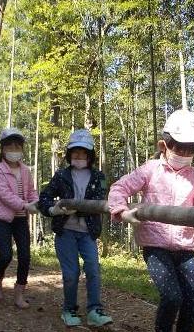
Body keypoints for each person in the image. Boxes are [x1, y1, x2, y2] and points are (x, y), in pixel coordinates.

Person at [108, 110, 194, 332]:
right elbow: (120, 187)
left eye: (191, 149)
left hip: (185, 247)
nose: (185, 153)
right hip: (155, 246)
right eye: (179, 147)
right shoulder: (150, 169)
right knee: (172, 297)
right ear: (163, 145)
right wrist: (121, 210)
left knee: (192, 302)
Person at [38, 129, 114, 327]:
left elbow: (99, 200)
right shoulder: (61, 175)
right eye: (75, 152)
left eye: (83, 152)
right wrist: (54, 210)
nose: (79, 156)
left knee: (93, 269)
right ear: (69, 154)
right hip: (65, 232)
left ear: (90, 155)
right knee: (71, 273)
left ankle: (95, 310)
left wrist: (75, 208)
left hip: (88, 232)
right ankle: (69, 309)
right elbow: (44, 198)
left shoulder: (98, 176)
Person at [0, 128, 39, 308]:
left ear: (22, 149)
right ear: (3, 149)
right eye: (10, 146)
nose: (14, 149)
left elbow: (31, 192)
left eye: (17, 146)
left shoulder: (25, 170)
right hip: (3, 218)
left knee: (25, 256)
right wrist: (26, 205)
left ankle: (19, 294)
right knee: (6, 255)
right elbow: (4, 195)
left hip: (20, 219)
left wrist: (37, 203)